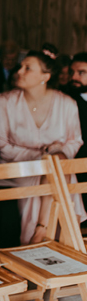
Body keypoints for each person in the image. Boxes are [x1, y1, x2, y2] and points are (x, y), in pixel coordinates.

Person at [0, 51, 86, 245]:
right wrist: (41, 156)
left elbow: (75, 141)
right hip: (15, 169)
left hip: (55, 168)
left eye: (28, 68)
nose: (20, 71)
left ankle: (40, 232)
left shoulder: (67, 104)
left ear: (45, 76)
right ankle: (57, 238)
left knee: (58, 165)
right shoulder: (5, 100)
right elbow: (2, 144)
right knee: (58, 175)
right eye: (20, 67)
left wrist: (54, 156)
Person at [65, 53, 87, 208]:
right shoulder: (66, 99)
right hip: (76, 164)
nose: (74, 77)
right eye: (71, 72)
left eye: (81, 73)